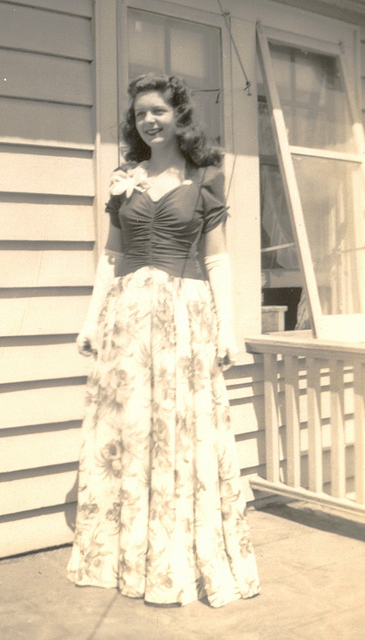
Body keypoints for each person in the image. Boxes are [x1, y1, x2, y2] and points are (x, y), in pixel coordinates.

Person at [67, 73, 260, 608]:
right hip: (128, 316)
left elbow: (217, 260)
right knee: (132, 429)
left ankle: (178, 557)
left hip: (184, 312)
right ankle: (131, 555)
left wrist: (227, 328)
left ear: (180, 117)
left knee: (181, 428)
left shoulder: (204, 178)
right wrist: (90, 321)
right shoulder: (123, 179)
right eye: (140, 114)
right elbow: (109, 258)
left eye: (158, 111)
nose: (148, 121)